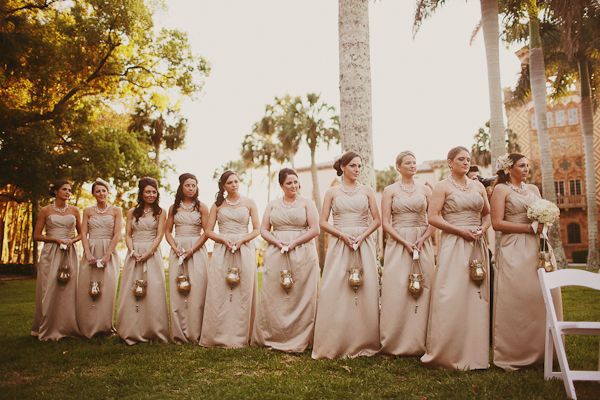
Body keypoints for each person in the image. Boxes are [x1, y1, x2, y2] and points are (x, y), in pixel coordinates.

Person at [491, 153, 563, 370]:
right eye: (521, 165)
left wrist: (544, 225)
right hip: (514, 246)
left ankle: (545, 350)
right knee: (517, 296)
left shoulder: (533, 190)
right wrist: (527, 228)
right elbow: (496, 223)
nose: (526, 169)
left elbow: (541, 216)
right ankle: (514, 352)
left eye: (527, 166)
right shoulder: (501, 190)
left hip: (538, 246)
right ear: (509, 168)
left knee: (540, 295)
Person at [421, 146, 491, 370]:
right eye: (461, 159)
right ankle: (447, 351)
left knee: (475, 294)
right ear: (450, 162)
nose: (466, 162)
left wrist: (482, 228)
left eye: (468, 159)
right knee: (450, 292)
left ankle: (475, 351)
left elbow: (488, 214)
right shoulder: (442, 187)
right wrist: (458, 230)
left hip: (477, 243)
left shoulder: (478, 186)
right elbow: (433, 217)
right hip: (454, 242)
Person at [312, 151, 381, 359]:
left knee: (364, 289)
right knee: (336, 288)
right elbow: (323, 222)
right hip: (340, 243)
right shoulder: (332, 193)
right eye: (353, 166)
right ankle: (336, 340)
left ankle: (365, 340)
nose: (357, 170)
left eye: (360, 166)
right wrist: (342, 235)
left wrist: (362, 236)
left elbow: (377, 220)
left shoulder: (367, 191)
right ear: (343, 167)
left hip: (363, 242)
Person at [252, 168, 320, 352]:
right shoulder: (273, 205)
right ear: (281, 185)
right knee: (275, 293)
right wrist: (277, 241)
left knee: (301, 294)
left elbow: (315, 230)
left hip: (303, 252)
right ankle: (273, 335)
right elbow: (264, 229)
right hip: (276, 252)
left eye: (296, 182)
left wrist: (294, 243)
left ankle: (302, 338)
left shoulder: (307, 203)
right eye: (289, 182)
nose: (293, 185)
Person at [380, 151, 436, 356]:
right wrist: (403, 241)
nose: (413, 165)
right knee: (397, 288)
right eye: (408, 162)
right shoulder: (389, 190)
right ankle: (396, 340)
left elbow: (434, 219)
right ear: (398, 167)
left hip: (422, 241)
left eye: (414, 162)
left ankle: (423, 340)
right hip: (398, 241)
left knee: (425, 285)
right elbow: (386, 222)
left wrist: (423, 238)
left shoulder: (426, 189)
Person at [200, 171, 260, 348]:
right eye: (230, 183)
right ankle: (219, 333)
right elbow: (208, 231)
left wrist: (242, 239)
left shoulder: (249, 203)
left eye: (236, 181)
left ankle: (243, 335)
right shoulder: (217, 205)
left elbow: (257, 229)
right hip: (223, 249)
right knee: (221, 290)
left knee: (243, 290)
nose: (234, 185)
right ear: (224, 187)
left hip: (245, 248)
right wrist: (223, 239)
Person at [117, 177, 169, 344]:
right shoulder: (132, 212)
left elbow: (160, 234)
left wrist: (149, 252)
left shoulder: (161, 212)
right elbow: (128, 234)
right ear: (141, 193)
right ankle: (131, 328)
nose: (151, 194)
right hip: (134, 253)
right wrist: (132, 251)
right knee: (132, 289)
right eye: (148, 191)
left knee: (153, 289)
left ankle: (153, 329)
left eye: (154, 192)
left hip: (152, 253)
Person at [32, 180, 82, 340]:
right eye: (64, 189)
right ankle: (47, 326)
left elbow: (82, 233)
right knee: (49, 287)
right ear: (55, 191)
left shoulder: (75, 211)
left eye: (70, 190)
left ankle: (68, 326)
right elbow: (37, 235)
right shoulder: (45, 210)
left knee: (69, 288)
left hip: (69, 252)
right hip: (51, 252)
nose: (68, 192)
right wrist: (56, 240)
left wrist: (71, 241)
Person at [165, 173, 210, 344]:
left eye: (194, 185)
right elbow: (167, 231)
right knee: (178, 290)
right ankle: (178, 333)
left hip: (196, 249)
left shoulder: (202, 207)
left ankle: (196, 332)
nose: (191, 188)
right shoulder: (173, 208)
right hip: (178, 250)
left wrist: (192, 250)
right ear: (181, 187)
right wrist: (175, 248)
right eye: (187, 185)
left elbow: (206, 232)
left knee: (197, 290)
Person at [77, 178, 122, 338]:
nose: (101, 193)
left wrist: (108, 254)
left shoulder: (116, 210)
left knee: (108, 288)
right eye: (98, 191)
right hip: (91, 249)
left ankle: (105, 326)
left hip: (109, 251)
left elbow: (117, 234)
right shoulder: (88, 211)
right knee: (89, 288)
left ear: (108, 192)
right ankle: (88, 325)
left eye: (104, 190)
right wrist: (88, 253)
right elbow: (83, 233)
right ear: (93, 194)